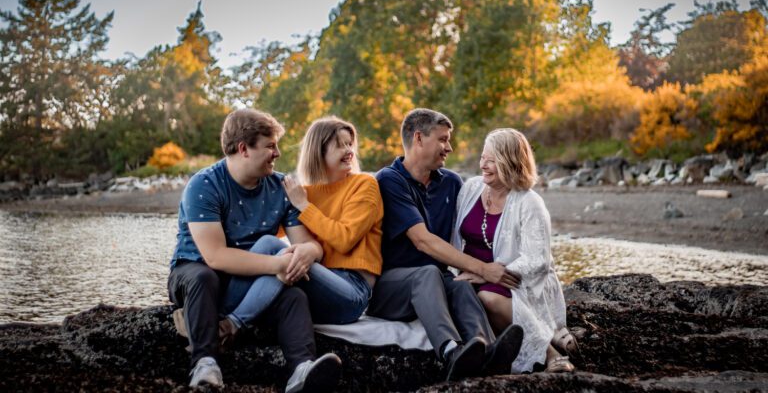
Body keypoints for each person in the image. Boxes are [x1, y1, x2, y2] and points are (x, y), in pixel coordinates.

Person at [167, 108, 341, 392]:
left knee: (293, 295)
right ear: (243, 148)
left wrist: (309, 253)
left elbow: (306, 243)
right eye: (270, 146)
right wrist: (278, 265)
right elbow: (215, 256)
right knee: (204, 277)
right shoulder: (205, 185)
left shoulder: (280, 186)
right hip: (197, 272)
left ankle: (301, 370)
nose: (278, 153)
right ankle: (205, 364)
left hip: (251, 279)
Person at [368, 108, 524, 381]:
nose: (448, 147)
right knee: (429, 273)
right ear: (419, 138)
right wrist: (484, 269)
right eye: (442, 139)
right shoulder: (388, 180)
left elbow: (479, 225)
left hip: (437, 282)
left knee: (461, 284)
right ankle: (451, 352)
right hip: (390, 289)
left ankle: (486, 351)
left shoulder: (451, 182)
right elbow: (423, 241)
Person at [451, 128, 576, 373]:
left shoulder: (529, 203)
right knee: (457, 290)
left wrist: (489, 274)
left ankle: (550, 354)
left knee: (488, 298)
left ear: (510, 162)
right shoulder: (471, 189)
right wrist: (473, 270)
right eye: (482, 158)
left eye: (492, 160)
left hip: (513, 278)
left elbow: (537, 260)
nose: (483, 165)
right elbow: (454, 239)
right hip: (475, 273)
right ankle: (487, 352)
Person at [281, 116, 384, 324]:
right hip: (316, 285)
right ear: (318, 151)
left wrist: (304, 206)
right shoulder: (304, 193)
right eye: (340, 145)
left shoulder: (364, 184)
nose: (349, 151)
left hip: (353, 289)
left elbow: (344, 239)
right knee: (268, 247)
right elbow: (268, 231)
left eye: (349, 144)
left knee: (280, 257)